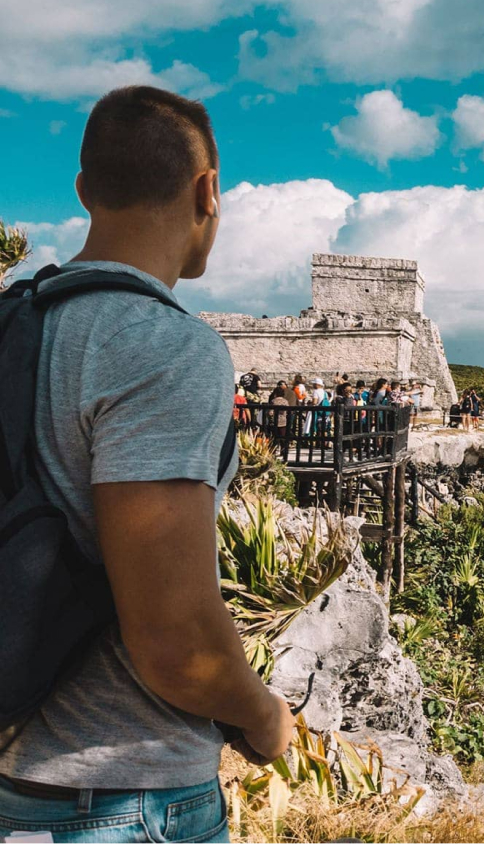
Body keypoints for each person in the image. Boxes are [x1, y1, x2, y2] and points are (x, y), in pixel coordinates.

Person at [0, 86, 294, 842]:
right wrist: (267, 721)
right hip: (124, 796)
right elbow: (176, 643)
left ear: (84, 190)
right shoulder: (165, 347)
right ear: (208, 193)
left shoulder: (13, 323)